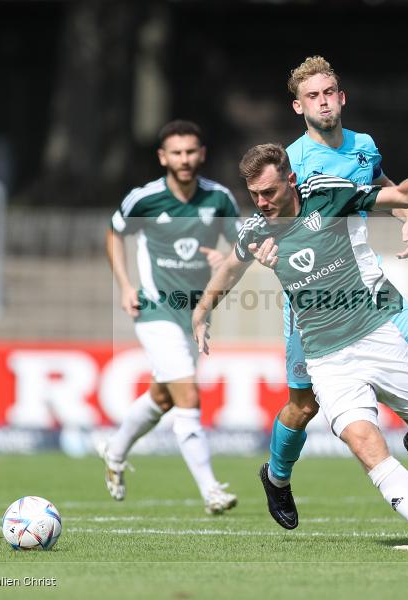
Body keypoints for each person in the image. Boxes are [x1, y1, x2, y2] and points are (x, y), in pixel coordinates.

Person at [193, 143, 408, 550]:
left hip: (376, 336)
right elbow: (230, 266)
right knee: (362, 440)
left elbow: (401, 196)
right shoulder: (258, 231)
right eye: (254, 194)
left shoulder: (331, 195)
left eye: (269, 193)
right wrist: (202, 310)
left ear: (291, 181)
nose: (261, 203)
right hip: (327, 360)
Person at [255, 56, 408, 531]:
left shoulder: (364, 145)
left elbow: (378, 186)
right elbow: (276, 217)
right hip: (314, 303)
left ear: (342, 96)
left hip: (369, 283)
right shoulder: (294, 163)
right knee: (304, 406)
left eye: (330, 92)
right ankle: (277, 476)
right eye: (313, 96)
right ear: (298, 106)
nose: (324, 101)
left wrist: (406, 213)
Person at [99, 119, 240, 515]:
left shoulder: (220, 200)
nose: (184, 159)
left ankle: (115, 450)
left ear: (202, 154)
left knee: (163, 395)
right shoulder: (143, 199)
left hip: (195, 314)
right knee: (188, 395)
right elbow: (113, 233)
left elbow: (244, 251)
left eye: (191, 151)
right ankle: (211, 489)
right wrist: (126, 285)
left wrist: (223, 259)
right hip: (155, 307)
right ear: (163, 157)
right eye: (176, 152)